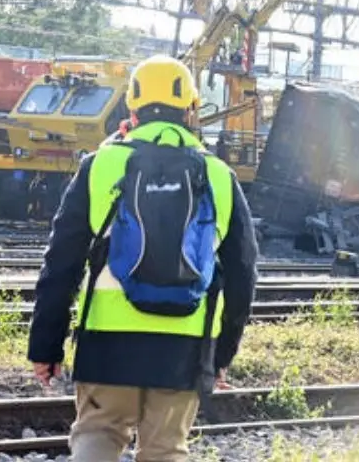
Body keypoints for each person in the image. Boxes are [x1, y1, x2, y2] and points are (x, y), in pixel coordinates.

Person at [28, 55, 259, 462]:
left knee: (97, 435)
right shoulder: (219, 175)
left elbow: (61, 263)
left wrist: (46, 345)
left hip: (107, 341)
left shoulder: (100, 165)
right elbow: (243, 273)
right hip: (185, 345)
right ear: (191, 109)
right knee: (165, 450)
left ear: (131, 109)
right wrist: (221, 354)